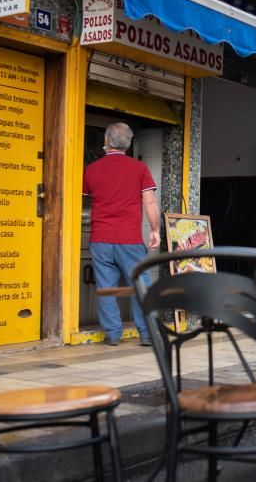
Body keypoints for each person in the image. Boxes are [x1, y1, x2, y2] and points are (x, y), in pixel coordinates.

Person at [83, 123, 160, 346]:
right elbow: (149, 202)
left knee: (106, 288)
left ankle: (113, 334)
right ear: (128, 143)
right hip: (129, 239)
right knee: (140, 286)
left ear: (106, 140)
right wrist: (154, 230)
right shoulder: (139, 168)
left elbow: (87, 202)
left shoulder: (91, 169)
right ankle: (146, 334)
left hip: (100, 239)